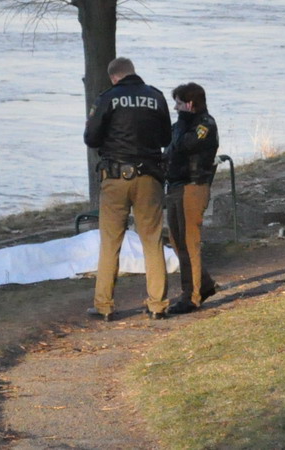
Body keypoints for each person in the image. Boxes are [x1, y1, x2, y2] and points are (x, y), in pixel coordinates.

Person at [83, 57, 172, 321]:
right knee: (152, 241)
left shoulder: (107, 98)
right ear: (133, 73)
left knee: (110, 242)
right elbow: (166, 137)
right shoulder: (156, 97)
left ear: (114, 77)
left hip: (115, 178)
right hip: (149, 177)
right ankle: (157, 305)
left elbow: (91, 138)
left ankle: (105, 306)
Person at [164, 82, 219, 315]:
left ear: (189, 104)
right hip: (176, 185)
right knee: (177, 241)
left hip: (193, 186)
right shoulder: (181, 125)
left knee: (189, 241)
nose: (174, 108)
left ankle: (192, 296)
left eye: (178, 103)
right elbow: (171, 149)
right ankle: (203, 284)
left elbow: (186, 145)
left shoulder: (204, 124)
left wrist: (184, 121)